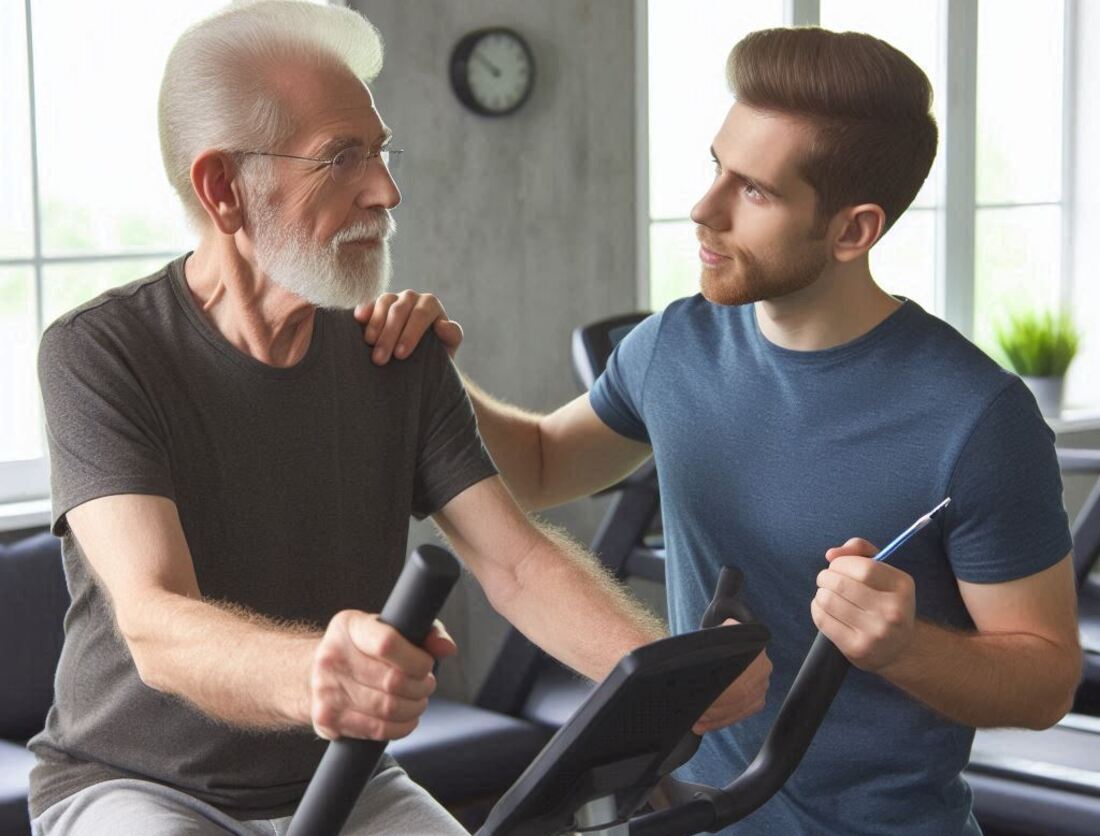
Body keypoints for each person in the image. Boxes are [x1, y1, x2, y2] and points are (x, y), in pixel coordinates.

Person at [28, 3, 766, 834]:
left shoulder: (394, 349)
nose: (387, 190)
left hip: (345, 774)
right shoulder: (104, 353)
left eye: (378, 151)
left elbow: (516, 563)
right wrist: (320, 669)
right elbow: (156, 620)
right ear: (223, 189)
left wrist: (666, 675)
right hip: (135, 788)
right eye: (341, 158)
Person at [364, 26, 1083, 835]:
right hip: (696, 818)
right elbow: (536, 465)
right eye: (715, 167)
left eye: (756, 192)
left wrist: (906, 644)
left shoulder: (976, 417)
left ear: (853, 231)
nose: (703, 210)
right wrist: (428, 367)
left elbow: (1046, 679)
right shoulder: (676, 343)